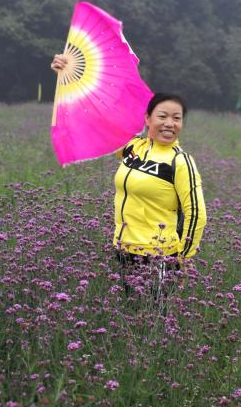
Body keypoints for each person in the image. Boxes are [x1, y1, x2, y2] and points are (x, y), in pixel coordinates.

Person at [51, 55, 207, 293]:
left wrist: (184, 257)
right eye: (162, 116)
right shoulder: (133, 147)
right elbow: (98, 118)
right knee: (132, 309)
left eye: (177, 118)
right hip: (125, 248)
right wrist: (69, 77)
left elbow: (196, 214)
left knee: (154, 312)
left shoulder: (180, 161)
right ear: (147, 119)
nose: (170, 123)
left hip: (159, 254)